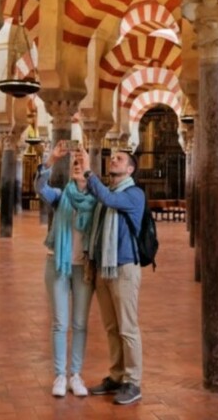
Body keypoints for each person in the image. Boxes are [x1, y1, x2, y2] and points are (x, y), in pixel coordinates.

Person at [80, 148, 146, 406]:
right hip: (103, 269)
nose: (113, 160)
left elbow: (108, 199)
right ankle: (117, 376)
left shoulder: (134, 194)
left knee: (128, 328)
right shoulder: (105, 193)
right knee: (111, 327)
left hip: (124, 268)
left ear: (130, 169)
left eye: (119, 159)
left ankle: (133, 381)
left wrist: (88, 170)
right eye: (113, 157)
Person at [35, 141, 98, 398]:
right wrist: (51, 160)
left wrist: (88, 164)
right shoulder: (61, 197)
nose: (77, 165)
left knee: (80, 323)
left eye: (80, 163)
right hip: (57, 265)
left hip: (83, 268)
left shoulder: (96, 201)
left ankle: (76, 374)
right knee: (60, 323)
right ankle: (60, 375)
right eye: (74, 163)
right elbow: (40, 187)